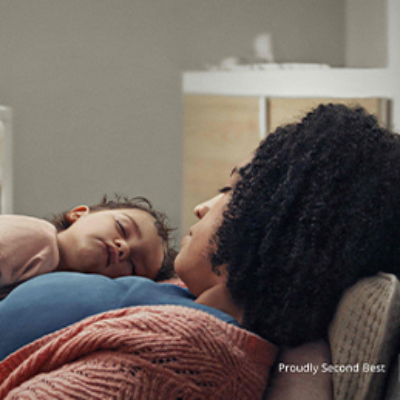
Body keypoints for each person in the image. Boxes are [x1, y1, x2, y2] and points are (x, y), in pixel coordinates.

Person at [1, 104, 400, 398]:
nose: (202, 207)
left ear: (268, 219)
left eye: (230, 190)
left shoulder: (177, 354)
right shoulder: (188, 301)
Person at [0, 195, 177, 299]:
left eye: (133, 267)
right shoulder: (37, 237)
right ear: (77, 214)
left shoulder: (62, 295)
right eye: (122, 228)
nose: (123, 248)